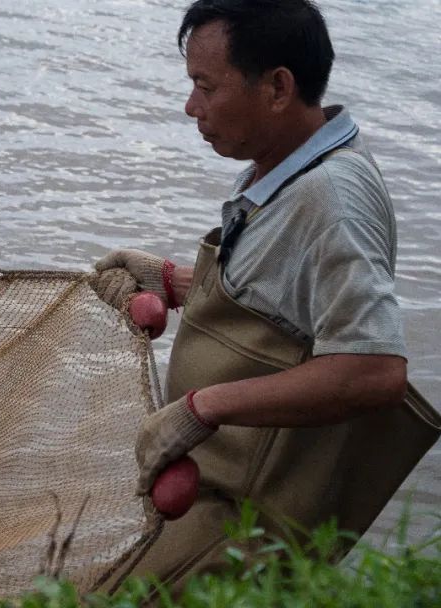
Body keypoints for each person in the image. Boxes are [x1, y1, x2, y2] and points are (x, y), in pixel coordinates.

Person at [95, 0, 440, 588]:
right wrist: (177, 283)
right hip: (209, 503)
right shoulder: (283, 168)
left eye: (206, 86)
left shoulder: (333, 197)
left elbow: (373, 369)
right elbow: (283, 313)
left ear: (278, 87)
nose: (190, 107)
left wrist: (203, 408)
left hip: (244, 529)